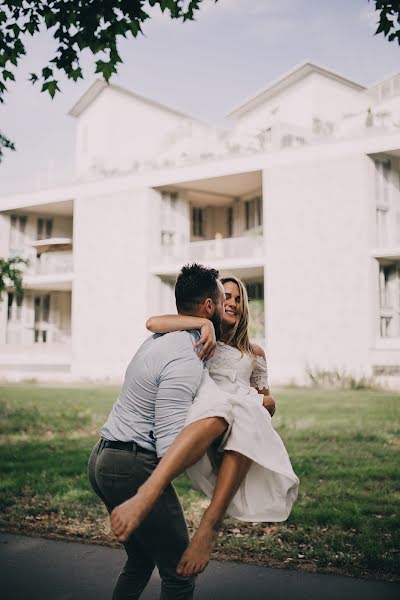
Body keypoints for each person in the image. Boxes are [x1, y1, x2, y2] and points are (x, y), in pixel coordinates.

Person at [111, 275, 299, 578]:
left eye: (239, 299)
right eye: (227, 296)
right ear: (213, 302)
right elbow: (152, 322)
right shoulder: (197, 331)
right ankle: (149, 492)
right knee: (226, 410)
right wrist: (203, 324)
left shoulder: (254, 353)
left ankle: (209, 527)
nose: (233, 303)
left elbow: (268, 400)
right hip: (206, 404)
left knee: (248, 416)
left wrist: (266, 403)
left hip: (243, 413)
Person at [88, 263, 228, 600]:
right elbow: (168, 441)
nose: (226, 309)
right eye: (222, 303)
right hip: (130, 465)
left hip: (102, 459)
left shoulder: (159, 338)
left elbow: (156, 320)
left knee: (140, 560)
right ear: (208, 307)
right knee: (180, 573)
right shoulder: (186, 355)